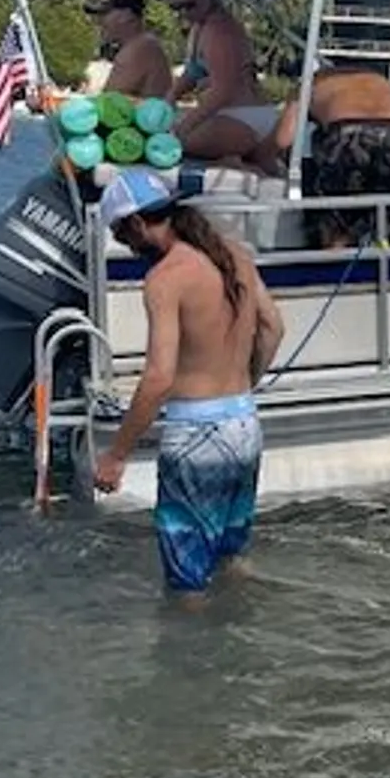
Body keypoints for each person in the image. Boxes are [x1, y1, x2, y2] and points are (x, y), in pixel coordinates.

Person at [91, 168, 284, 598]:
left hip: (197, 437)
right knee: (232, 559)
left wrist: (116, 455)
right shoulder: (234, 254)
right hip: (245, 427)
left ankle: (191, 662)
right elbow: (273, 327)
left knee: (187, 583)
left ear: (138, 223)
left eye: (124, 237)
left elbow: (159, 378)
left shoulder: (165, 279)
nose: (128, 246)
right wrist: (242, 385)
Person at [262, 61, 390, 248]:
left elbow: (282, 139)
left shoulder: (311, 83)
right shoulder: (376, 78)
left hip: (348, 131)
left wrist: (256, 156)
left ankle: (334, 259)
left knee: (338, 221)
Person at [162, 0, 280, 173]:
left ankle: (237, 164)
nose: (184, 13)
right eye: (176, 8)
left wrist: (184, 128)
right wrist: (169, 98)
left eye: (189, 5)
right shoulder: (200, 26)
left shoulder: (220, 30)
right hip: (235, 117)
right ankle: (238, 163)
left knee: (166, 146)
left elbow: (223, 91)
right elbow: (193, 72)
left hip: (245, 118)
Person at [84, 0, 174, 100]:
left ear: (126, 15)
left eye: (104, 14)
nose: (98, 21)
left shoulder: (139, 48)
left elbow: (107, 101)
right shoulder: (146, 44)